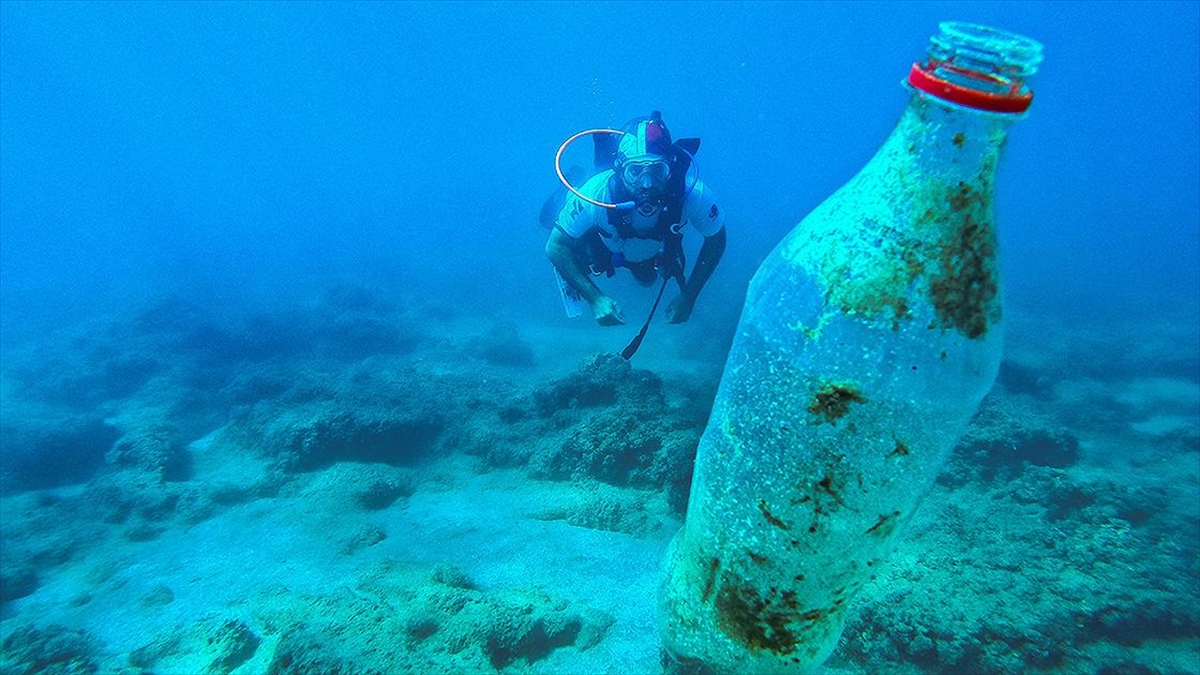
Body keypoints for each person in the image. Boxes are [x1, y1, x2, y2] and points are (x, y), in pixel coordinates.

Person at [544, 111, 727, 326]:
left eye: (658, 170)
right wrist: (595, 299)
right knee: (552, 225)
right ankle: (568, 187)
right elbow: (555, 246)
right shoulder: (595, 194)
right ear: (620, 169)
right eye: (635, 171)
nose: (647, 184)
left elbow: (716, 238)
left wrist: (689, 296)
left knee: (648, 279)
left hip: (639, 247)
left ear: (671, 166)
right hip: (604, 243)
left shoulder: (693, 195)